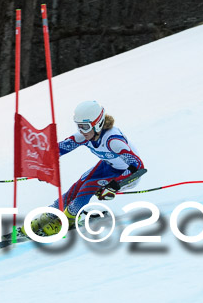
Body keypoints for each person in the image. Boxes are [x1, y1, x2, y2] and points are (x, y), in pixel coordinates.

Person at [31, 100, 145, 236]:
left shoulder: (113, 140)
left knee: (87, 187)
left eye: (85, 127)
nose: (81, 131)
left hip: (126, 175)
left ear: (98, 124)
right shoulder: (86, 136)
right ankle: (51, 213)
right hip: (107, 165)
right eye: (79, 126)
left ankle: (69, 218)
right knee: (78, 185)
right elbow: (60, 148)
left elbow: (138, 167)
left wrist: (114, 186)